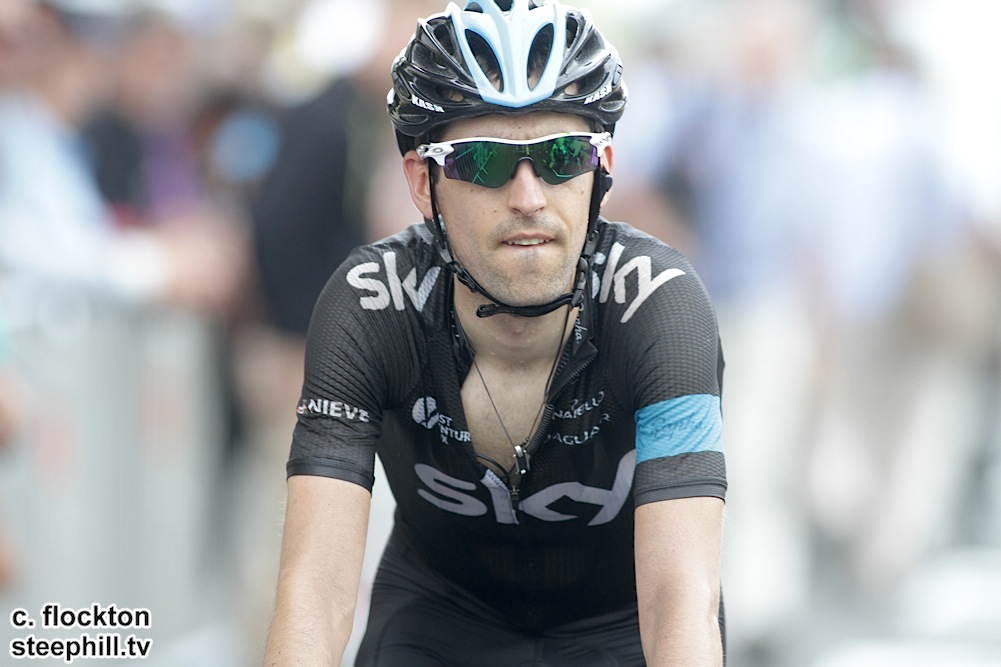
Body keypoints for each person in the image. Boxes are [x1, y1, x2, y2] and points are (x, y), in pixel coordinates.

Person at [264, 1, 726, 665]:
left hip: (619, 624)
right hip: (438, 620)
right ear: (423, 182)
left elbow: (678, 600)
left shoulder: (659, 306)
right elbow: (316, 589)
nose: (529, 197)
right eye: (483, 162)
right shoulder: (369, 306)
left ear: (601, 167)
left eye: (562, 156)